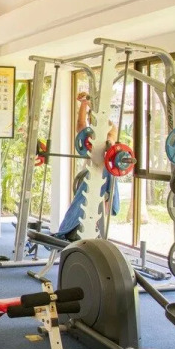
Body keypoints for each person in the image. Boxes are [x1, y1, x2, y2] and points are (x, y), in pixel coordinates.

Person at [54, 92, 120, 240]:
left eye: (93, 118)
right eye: (90, 119)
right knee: (83, 202)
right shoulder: (89, 133)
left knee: (99, 206)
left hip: (104, 172)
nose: (91, 121)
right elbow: (80, 125)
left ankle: (94, 234)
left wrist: (90, 104)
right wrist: (85, 104)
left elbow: (110, 140)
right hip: (90, 170)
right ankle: (75, 231)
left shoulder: (111, 129)